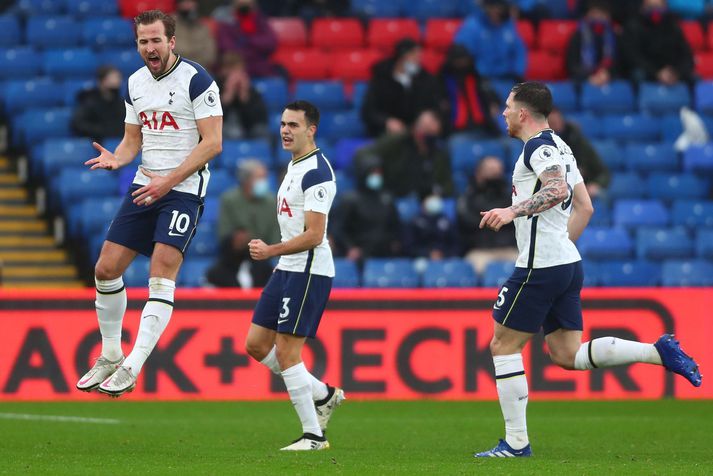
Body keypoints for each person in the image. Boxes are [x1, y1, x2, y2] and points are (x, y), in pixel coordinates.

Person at [474, 82, 701, 458]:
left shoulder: (538, 147)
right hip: (565, 262)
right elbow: (586, 207)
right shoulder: (562, 147)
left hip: (540, 266)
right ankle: (657, 352)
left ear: (523, 114)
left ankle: (515, 443)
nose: (503, 113)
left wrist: (511, 211)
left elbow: (558, 190)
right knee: (566, 354)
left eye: (508, 106)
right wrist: (563, 248)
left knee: (503, 344)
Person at [75, 10, 223, 397]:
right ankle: (110, 354)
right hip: (146, 185)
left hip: (184, 189)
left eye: (156, 40)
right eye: (143, 41)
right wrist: (117, 159)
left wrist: (169, 181)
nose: (149, 47)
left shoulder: (197, 80)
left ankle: (133, 365)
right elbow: (132, 140)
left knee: (161, 269)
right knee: (105, 269)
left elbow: (213, 143)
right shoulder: (136, 83)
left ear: (172, 42)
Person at [245, 100, 345, 451]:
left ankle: (313, 436)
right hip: (287, 268)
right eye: (283, 124)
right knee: (256, 344)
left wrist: (271, 250)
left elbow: (315, 234)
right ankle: (323, 393)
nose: (285, 130)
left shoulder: (317, 172)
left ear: (311, 130)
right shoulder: (294, 165)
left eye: (294, 125)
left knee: (288, 353)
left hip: (308, 269)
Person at [206, 159, 278, 288]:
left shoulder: (272, 202)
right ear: (246, 180)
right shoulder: (229, 200)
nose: (265, 182)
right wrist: (235, 239)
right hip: (233, 260)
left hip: (263, 261)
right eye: (261, 178)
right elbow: (224, 234)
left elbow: (276, 238)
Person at [354, 109, 454, 199]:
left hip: (423, 201)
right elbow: (364, 154)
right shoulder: (398, 141)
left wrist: (436, 193)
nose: (426, 134)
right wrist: (374, 167)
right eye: (424, 128)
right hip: (392, 193)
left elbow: (447, 186)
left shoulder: (440, 154)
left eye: (431, 132)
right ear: (416, 127)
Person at [360, 38, 441, 138]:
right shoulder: (381, 79)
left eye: (418, 57)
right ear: (401, 57)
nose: (418, 61)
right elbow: (368, 111)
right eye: (413, 56)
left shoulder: (426, 80)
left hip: (417, 134)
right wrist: (387, 121)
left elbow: (434, 105)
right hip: (385, 134)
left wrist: (427, 117)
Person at [331, 155, 403, 262]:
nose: (376, 176)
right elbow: (338, 229)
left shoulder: (387, 200)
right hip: (357, 257)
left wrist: (395, 243)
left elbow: (395, 226)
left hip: (385, 256)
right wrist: (350, 248)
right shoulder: (349, 200)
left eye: (379, 173)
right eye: (373, 173)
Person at [457, 156, 518, 273]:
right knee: (474, 268)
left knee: (526, 268)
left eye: (497, 172)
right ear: (479, 173)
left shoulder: (511, 196)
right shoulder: (468, 197)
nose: (495, 176)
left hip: (509, 248)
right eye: (490, 171)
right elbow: (467, 222)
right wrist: (495, 219)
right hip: (481, 250)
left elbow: (519, 220)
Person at [621, 0, 694, 86]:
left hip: (672, 71)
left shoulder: (674, 26)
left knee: (694, 78)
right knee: (637, 75)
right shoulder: (633, 26)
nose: (655, 10)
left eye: (659, 6)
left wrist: (676, 72)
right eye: (650, 6)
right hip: (648, 71)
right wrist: (656, 73)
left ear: (665, 8)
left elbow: (686, 55)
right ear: (642, 8)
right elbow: (633, 57)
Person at [437, 44, 502, 138]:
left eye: (464, 61)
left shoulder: (476, 77)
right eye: (458, 62)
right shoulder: (442, 79)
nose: (462, 64)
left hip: (483, 126)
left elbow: (490, 94)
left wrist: (493, 103)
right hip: (455, 130)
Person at [453, 0, 527, 82]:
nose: (496, 11)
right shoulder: (473, 26)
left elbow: (519, 51)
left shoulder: (508, 25)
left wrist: (518, 73)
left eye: (499, 7)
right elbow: (461, 53)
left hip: (508, 77)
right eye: (492, 6)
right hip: (481, 79)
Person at [547, 107, 609, 199]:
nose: (555, 126)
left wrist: (596, 184)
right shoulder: (542, 147)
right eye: (551, 123)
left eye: (556, 121)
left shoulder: (579, 143)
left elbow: (603, 172)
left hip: (583, 188)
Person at [214, 0, 280, 78]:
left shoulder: (259, 21)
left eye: (247, 4)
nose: (244, 8)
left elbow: (270, 43)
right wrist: (255, 49)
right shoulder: (227, 23)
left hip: (259, 67)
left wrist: (249, 40)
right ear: (234, 5)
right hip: (236, 66)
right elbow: (227, 48)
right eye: (241, 4)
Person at [565, 0, 622, 86]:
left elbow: (619, 64)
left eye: (602, 14)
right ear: (587, 15)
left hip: (608, 78)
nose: (598, 17)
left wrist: (607, 74)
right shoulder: (578, 35)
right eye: (595, 13)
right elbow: (572, 65)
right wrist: (589, 77)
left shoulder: (614, 36)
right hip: (583, 79)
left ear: (608, 17)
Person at [218, 52, 269, 140]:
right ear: (223, 71)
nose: (235, 76)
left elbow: (260, 120)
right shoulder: (214, 88)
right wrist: (227, 96)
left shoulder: (251, 90)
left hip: (247, 129)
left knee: (261, 132)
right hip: (224, 129)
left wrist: (244, 96)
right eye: (231, 70)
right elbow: (213, 120)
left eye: (238, 70)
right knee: (233, 132)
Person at [70, 65, 126, 142]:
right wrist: (102, 130)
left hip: (119, 143)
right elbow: (79, 124)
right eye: (112, 78)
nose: (117, 82)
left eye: (118, 78)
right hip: (96, 142)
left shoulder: (122, 103)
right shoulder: (89, 102)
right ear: (102, 81)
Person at [173, 0, 217, 72]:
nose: (188, 5)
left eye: (191, 2)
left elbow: (210, 55)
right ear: (178, 5)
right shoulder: (169, 24)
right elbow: (170, 52)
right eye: (185, 2)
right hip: (175, 70)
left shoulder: (203, 27)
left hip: (200, 69)